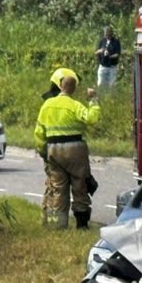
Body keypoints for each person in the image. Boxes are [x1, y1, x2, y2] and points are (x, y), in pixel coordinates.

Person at [34, 74, 100, 229]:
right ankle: (82, 225)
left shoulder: (47, 105)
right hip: (75, 150)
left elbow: (39, 132)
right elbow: (92, 119)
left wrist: (43, 151)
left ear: (59, 86)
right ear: (74, 89)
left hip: (54, 150)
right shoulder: (74, 105)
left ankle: (58, 225)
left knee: (58, 188)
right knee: (79, 186)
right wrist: (93, 100)